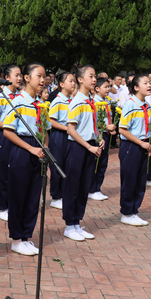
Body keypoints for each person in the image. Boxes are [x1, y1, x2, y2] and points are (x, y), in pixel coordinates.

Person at [2, 63, 47, 256]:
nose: (43, 80)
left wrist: (45, 147)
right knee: (19, 195)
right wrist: (30, 148)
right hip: (23, 149)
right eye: (39, 76)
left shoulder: (41, 105)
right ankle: (16, 239)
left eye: (44, 77)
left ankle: (26, 236)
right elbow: (7, 131)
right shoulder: (18, 102)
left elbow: (45, 130)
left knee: (33, 196)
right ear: (27, 78)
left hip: (38, 149)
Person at [62, 65, 101, 241]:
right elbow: (71, 130)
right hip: (78, 147)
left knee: (84, 186)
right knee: (73, 186)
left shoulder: (91, 102)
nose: (94, 80)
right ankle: (69, 225)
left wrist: (98, 138)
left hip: (89, 145)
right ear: (80, 79)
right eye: (90, 76)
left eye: (95, 76)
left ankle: (77, 223)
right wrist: (88, 146)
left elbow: (91, 125)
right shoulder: (77, 102)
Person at [0, 64, 23, 222]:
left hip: (17, 136)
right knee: (3, 172)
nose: (19, 78)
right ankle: (2, 207)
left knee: (15, 170)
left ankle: (12, 204)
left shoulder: (20, 97)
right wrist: (10, 126)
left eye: (20, 75)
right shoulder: (0, 97)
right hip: (3, 136)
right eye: (16, 75)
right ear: (6, 78)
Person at [118, 75, 151, 226]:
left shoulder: (147, 106)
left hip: (144, 145)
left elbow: (149, 127)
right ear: (136, 87)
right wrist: (140, 143)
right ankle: (126, 212)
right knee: (130, 179)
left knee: (140, 180)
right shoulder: (130, 105)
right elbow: (122, 129)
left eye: (149, 83)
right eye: (145, 83)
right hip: (131, 146)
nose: (149, 85)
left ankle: (134, 210)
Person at [48, 71, 76, 209]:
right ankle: (56, 196)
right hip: (59, 136)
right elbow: (51, 121)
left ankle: (64, 193)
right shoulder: (57, 101)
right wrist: (67, 129)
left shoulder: (72, 101)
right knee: (57, 165)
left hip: (69, 135)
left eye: (74, 81)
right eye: (70, 81)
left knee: (67, 165)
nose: (73, 83)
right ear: (61, 84)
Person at [88, 77, 116, 201]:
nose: (108, 89)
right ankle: (92, 189)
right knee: (96, 163)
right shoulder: (94, 102)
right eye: (105, 87)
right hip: (98, 135)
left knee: (103, 163)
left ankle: (97, 188)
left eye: (109, 87)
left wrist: (111, 128)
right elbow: (93, 121)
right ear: (97, 89)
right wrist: (105, 127)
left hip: (106, 134)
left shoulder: (107, 102)